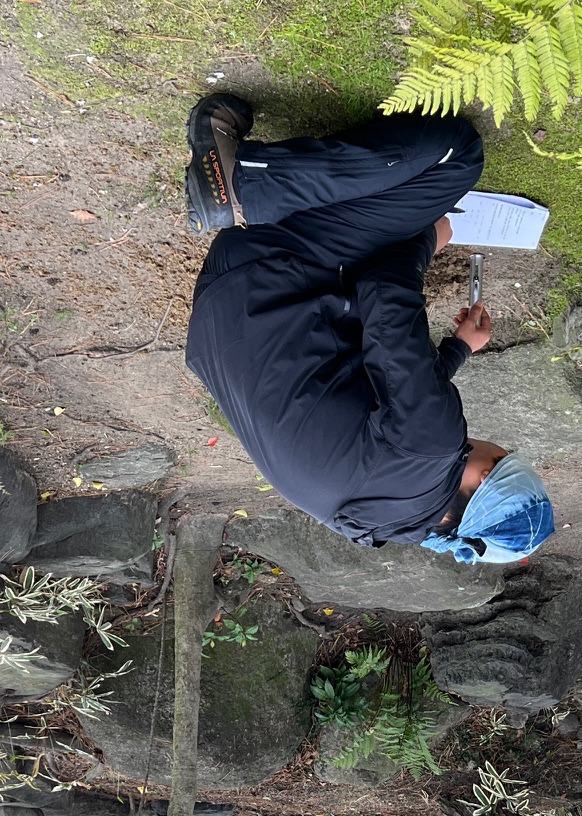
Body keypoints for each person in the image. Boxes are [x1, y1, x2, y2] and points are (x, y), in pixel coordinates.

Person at [182, 96, 556, 564]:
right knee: (400, 220)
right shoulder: (382, 522)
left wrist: (429, 239)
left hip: (274, 273)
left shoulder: (435, 449)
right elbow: (394, 407)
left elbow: (384, 286)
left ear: (487, 475)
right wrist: (457, 349)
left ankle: (238, 181)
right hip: (225, 317)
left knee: (454, 156)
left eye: (505, 456)